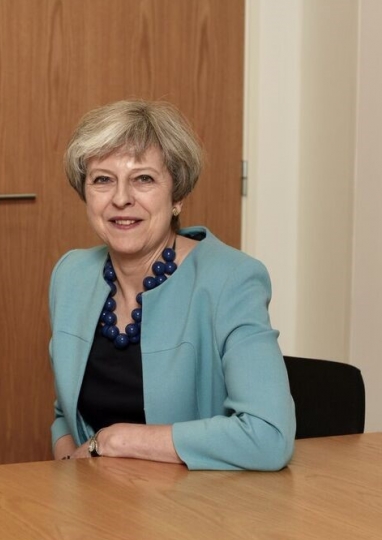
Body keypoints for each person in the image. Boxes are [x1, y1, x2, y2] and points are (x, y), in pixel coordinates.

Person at [50, 100, 295, 470]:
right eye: (103, 179)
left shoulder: (231, 279)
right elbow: (64, 413)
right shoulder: (72, 275)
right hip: (96, 503)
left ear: (177, 195)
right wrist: (69, 467)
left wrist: (114, 440)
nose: (120, 198)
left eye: (143, 179)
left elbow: (268, 437)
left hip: (194, 509)